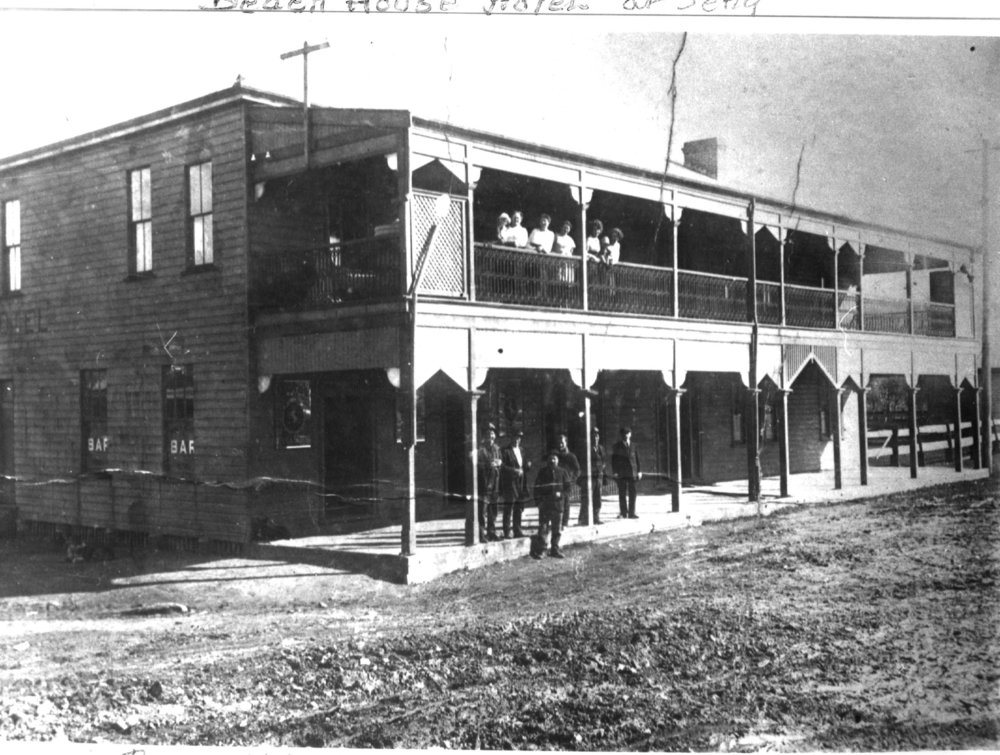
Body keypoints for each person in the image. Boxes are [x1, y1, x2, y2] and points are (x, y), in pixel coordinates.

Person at [531, 449, 574, 560]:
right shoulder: (542, 472)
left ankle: (555, 549)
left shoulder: (563, 472)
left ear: (558, 460)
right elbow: (537, 488)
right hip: (545, 505)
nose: (552, 460)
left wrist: (562, 494)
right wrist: (538, 502)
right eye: (550, 458)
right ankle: (543, 550)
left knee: (557, 529)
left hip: (558, 506)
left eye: (554, 458)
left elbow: (568, 489)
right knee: (543, 528)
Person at [500, 430, 531, 539]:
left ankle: (517, 530)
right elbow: (502, 466)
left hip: (521, 482)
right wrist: (514, 471)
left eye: (519, 438)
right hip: (510, 483)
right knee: (509, 507)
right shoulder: (505, 451)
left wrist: (528, 465)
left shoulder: (522, 450)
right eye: (516, 437)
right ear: (511, 438)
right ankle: (507, 531)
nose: (518, 440)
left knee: (519, 507)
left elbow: (525, 465)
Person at [478, 426, 503, 541]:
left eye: (492, 434)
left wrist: (499, 463)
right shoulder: (480, 449)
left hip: (495, 483)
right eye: (488, 435)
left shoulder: (497, 449)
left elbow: (501, 462)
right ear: (484, 437)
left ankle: (491, 532)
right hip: (484, 483)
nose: (491, 437)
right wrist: (488, 464)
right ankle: (481, 534)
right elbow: (476, 464)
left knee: (493, 509)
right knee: (482, 510)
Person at [611, 426, 641, 519]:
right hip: (622, 473)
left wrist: (639, 471)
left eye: (628, 433)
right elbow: (614, 460)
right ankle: (623, 513)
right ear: (621, 435)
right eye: (624, 434)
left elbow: (637, 459)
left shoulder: (634, 446)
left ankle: (632, 513)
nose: (626, 436)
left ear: (630, 435)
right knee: (622, 493)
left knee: (633, 493)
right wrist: (615, 472)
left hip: (633, 473)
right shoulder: (617, 446)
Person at [579, 426, 606, 525]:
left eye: (597, 436)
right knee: (586, 498)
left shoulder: (601, 448)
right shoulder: (585, 448)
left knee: (597, 498)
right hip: (588, 477)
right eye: (593, 436)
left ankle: (596, 517)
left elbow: (604, 461)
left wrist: (602, 469)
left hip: (598, 477)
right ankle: (584, 519)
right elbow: (582, 462)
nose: (595, 438)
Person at [555, 433, 580, 527]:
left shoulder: (571, 456)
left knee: (566, 502)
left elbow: (577, 469)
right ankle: (557, 522)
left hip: (566, 483)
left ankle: (564, 522)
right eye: (559, 443)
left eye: (562, 443)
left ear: (566, 443)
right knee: (557, 502)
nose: (560, 445)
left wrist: (572, 480)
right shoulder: (556, 455)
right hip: (557, 483)